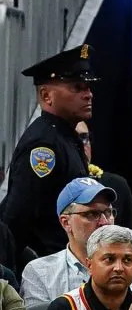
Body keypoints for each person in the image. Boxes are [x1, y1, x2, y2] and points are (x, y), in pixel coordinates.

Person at [2, 45, 95, 258]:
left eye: (89, 87)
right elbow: (19, 216)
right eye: (77, 87)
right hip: (44, 269)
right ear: (46, 95)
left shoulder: (64, 137)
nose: (88, 94)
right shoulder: (44, 145)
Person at [20, 178, 132, 308]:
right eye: (92, 214)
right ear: (66, 222)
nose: (104, 222)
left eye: (108, 212)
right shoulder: (39, 272)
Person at [76, 121, 132, 238]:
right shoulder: (51, 186)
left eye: (84, 138)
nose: (80, 145)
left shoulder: (117, 186)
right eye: (72, 139)